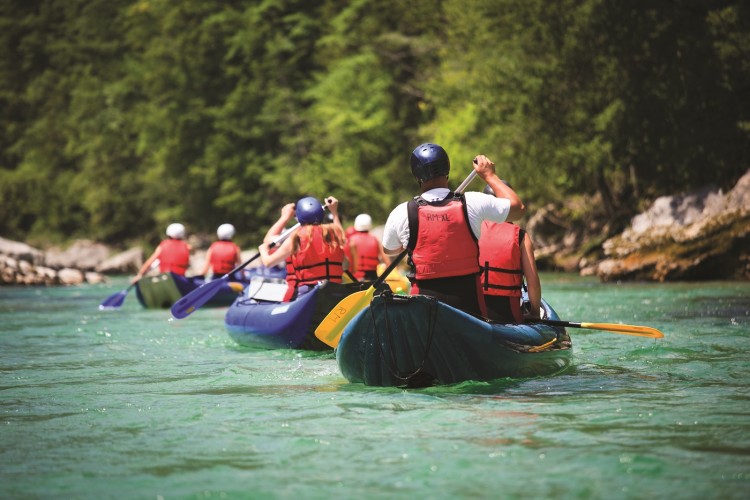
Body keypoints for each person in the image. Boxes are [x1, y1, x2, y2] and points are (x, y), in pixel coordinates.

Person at [381, 143, 526, 317]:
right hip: (469, 309)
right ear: (447, 169)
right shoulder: (473, 202)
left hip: (423, 311)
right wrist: (490, 176)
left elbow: (390, 250)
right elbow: (518, 209)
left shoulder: (402, 212)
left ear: (417, 175)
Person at [258, 196, 347, 301]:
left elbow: (268, 262)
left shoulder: (296, 237)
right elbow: (345, 262)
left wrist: (285, 217)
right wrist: (334, 212)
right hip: (335, 290)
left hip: (308, 293)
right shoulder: (333, 233)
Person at [478, 185, 541, 323]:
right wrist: (535, 312)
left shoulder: (471, 229)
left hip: (473, 312)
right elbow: (533, 281)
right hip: (508, 315)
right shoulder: (520, 236)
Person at [347, 213, 391, 281]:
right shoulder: (375, 240)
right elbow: (388, 263)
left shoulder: (351, 240)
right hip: (373, 278)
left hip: (355, 278)